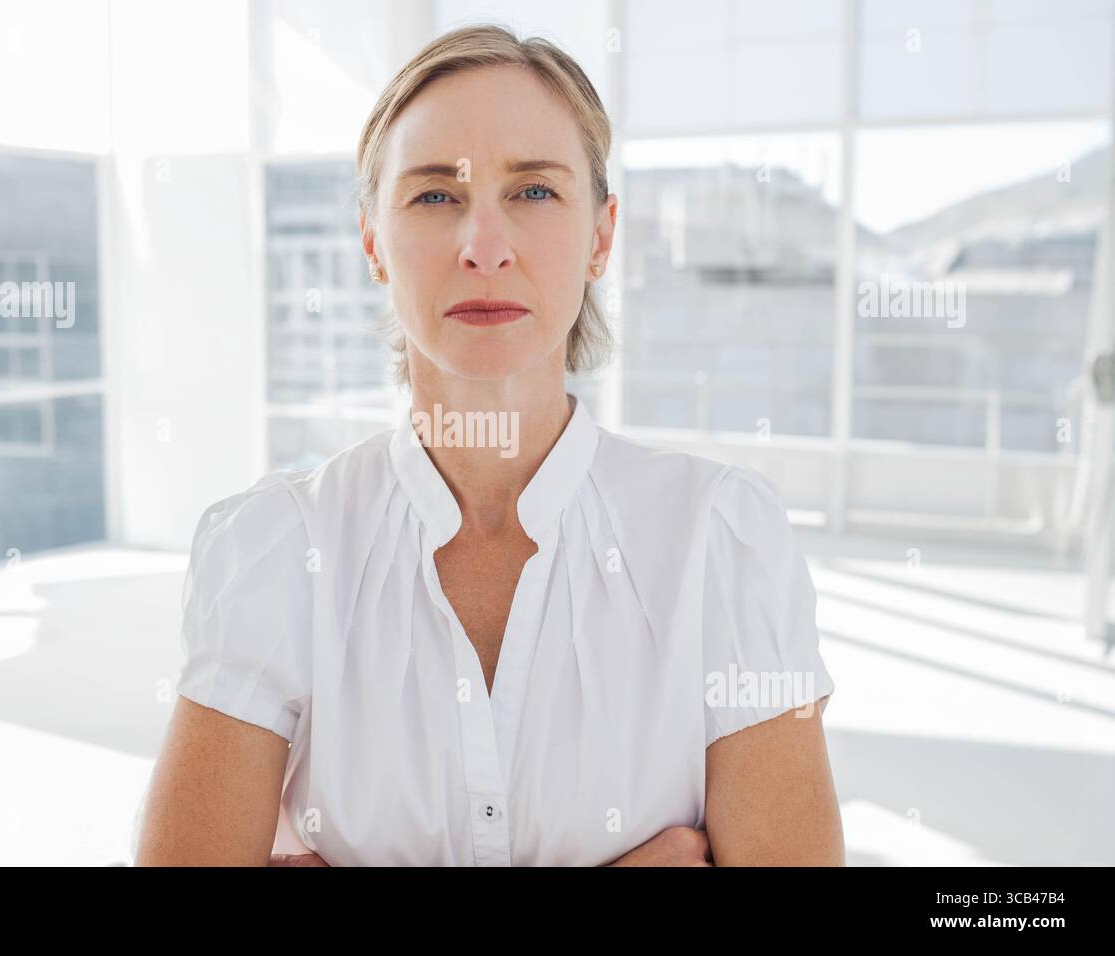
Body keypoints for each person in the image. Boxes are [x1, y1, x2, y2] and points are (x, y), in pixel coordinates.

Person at [134, 23, 843, 867]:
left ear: (602, 236)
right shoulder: (277, 550)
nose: (484, 247)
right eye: (435, 196)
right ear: (371, 242)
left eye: (535, 192)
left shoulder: (721, 541)